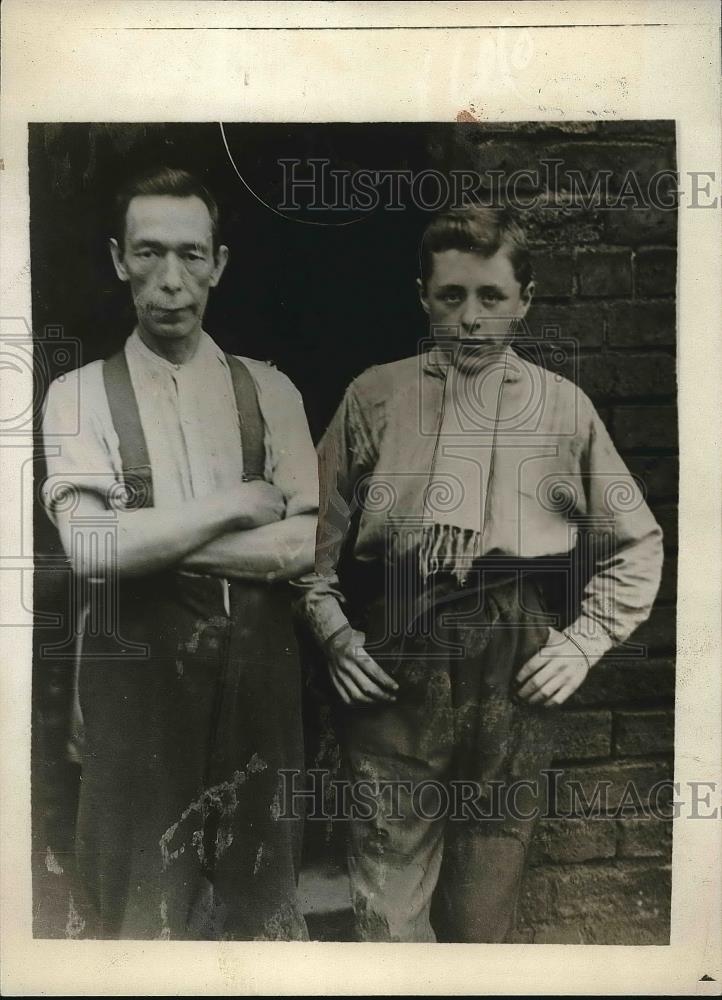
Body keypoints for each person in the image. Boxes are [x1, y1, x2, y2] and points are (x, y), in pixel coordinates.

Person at [299, 204, 664, 943]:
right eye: (452, 296)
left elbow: (637, 542)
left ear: (524, 301)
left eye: (491, 298)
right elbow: (309, 538)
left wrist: (582, 642)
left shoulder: (563, 409)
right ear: (422, 296)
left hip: (515, 649)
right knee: (388, 887)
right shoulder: (376, 397)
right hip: (401, 641)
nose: (470, 318)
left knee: (487, 891)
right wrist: (335, 635)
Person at [41, 166, 318, 940]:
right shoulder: (79, 396)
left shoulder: (272, 391)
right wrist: (233, 506)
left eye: (191, 256)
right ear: (118, 259)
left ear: (219, 264)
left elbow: (303, 546)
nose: (171, 280)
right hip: (137, 697)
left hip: (260, 690)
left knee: (258, 911)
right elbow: (92, 550)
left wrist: (150, 539)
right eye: (150, 253)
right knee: (140, 912)